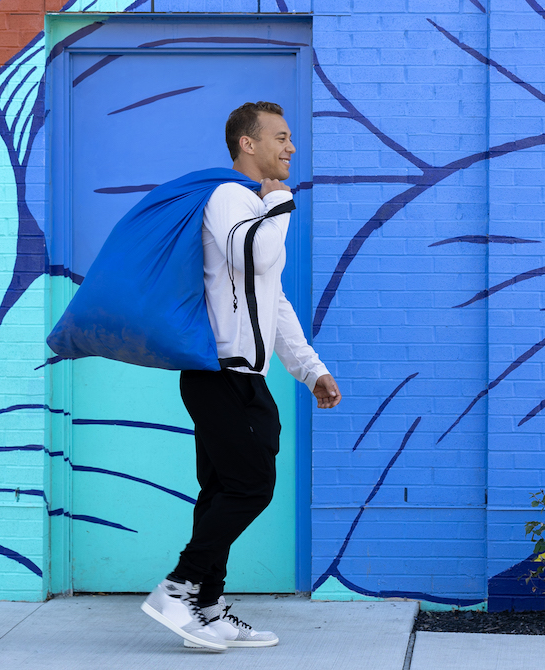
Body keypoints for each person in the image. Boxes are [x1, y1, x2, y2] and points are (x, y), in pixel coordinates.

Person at [141, 101, 342, 651]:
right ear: (247, 144)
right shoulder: (233, 197)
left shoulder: (249, 205)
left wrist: (310, 368)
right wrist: (279, 201)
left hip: (234, 376)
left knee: (223, 489)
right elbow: (254, 256)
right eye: (280, 136)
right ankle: (179, 589)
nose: (291, 147)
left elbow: (271, 299)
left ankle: (206, 607)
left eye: (290, 136)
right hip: (221, 375)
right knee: (250, 488)